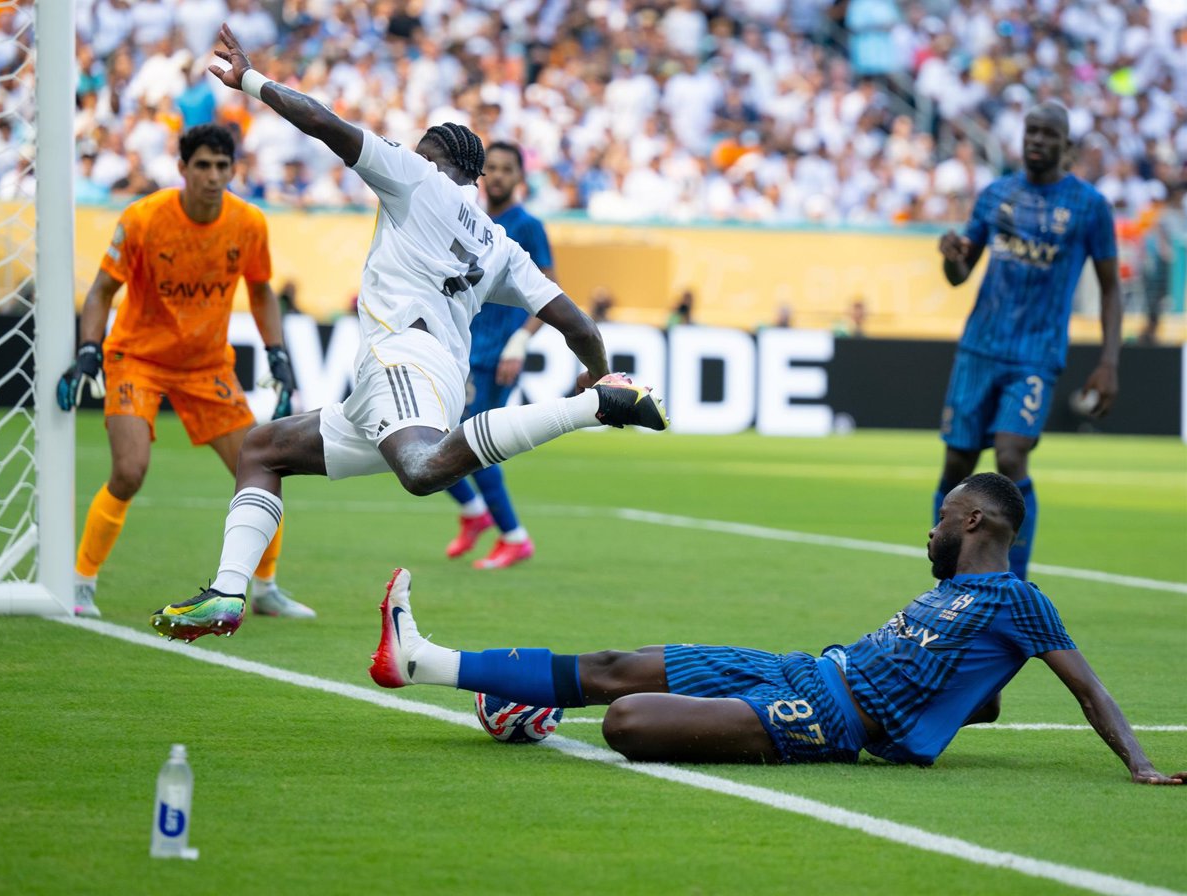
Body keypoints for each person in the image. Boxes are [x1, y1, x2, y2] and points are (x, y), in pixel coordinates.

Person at [148, 27, 667, 643]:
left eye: (418, 151)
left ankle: (592, 408)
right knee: (263, 450)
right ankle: (228, 593)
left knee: (421, 472)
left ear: (433, 158)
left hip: (402, 360)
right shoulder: (502, 246)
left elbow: (322, 122)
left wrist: (252, 81)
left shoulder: (415, 177)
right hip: (420, 382)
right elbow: (577, 324)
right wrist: (599, 368)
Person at [370, 473, 1184, 783]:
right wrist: (963, 707)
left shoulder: (1020, 601)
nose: (931, 531)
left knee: (626, 721)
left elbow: (1089, 689)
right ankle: (425, 661)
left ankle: (516, 703)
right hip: (802, 667)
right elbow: (982, 700)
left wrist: (1140, 764)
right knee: (619, 662)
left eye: (942, 518)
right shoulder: (954, 599)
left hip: (828, 718)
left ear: (972, 521)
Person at [58, 123, 311, 621]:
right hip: (137, 358)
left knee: (263, 469)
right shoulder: (143, 218)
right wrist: (89, 348)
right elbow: (102, 290)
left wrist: (278, 355)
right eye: (203, 166)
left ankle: (265, 588)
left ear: (233, 169)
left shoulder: (248, 222)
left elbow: (261, 291)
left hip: (206, 364)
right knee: (129, 471)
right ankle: (81, 582)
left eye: (222, 166)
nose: (213, 176)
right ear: (182, 168)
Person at [935, 102, 1122, 581]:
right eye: (1030, 131)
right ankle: (946, 573)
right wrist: (952, 256)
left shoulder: (1089, 206)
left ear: (1066, 145)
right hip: (980, 346)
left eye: (1047, 133)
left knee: (1010, 453)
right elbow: (960, 274)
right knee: (957, 460)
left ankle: (1011, 581)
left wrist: (1109, 362)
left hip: (1036, 353)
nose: (1036, 140)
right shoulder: (997, 194)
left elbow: (1110, 287)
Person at [444, 142, 552, 571]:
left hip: (496, 358)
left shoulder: (528, 226)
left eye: (508, 168)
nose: (500, 175)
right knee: (434, 439)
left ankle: (514, 536)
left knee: (473, 445)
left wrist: (519, 342)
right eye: (493, 168)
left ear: (520, 177)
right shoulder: (475, 221)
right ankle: (475, 513)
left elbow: (549, 292)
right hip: (462, 349)